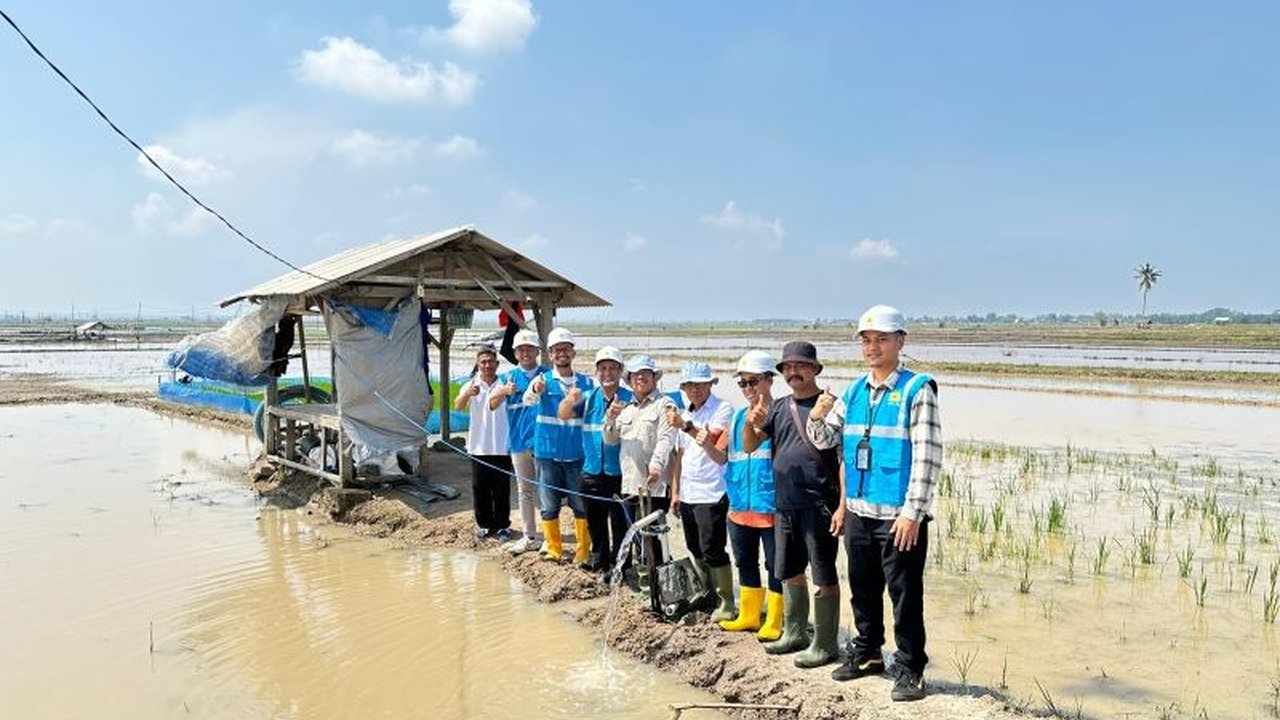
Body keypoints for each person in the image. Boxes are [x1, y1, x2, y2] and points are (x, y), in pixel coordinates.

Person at [808, 305, 941, 702]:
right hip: (860, 513)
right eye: (867, 340)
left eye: (881, 339)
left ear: (900, 341)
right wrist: (817, 416)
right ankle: (867, 652)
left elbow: (927, 455)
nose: (873, 347)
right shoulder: (853, 392)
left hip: (899, 518)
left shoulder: (917, 390)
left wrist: (912, 513)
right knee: (863, 589)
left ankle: (911, 667)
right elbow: (825, 440)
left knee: (904, 594)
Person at [742, 340, 842, 669]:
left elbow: (843, 459)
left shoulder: (831, 405)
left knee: (824, 575)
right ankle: (796, 632)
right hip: (784, 505)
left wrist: (842, 506)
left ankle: (825, 643)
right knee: (790, 572)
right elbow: (750, 445)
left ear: (815, 369)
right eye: (787, 367)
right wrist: (750, 421)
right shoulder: (780, 408)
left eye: (801, 366)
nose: (794, 372)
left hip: (819, 505)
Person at [718, 350, 785, 641]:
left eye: (754, 382)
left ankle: (775, 618)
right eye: (743, 383)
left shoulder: (782, 413)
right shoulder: (736, 417)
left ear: (770, 380)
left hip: (769, 502)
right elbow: (723, 454)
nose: (748, 389)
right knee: (744, 561)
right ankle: (748, 615)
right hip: (739, 503)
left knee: (775, 564)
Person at [667, 361, 735, 622]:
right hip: (689, 492)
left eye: (699, 384)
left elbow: (716, 448)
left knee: (713, 547)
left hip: (713, 491)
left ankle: (726, 600)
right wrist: (676, 492)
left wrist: (685, 425)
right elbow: (680, 456)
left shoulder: (722, 409)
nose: (694, 390)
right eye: (689, 385)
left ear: (710, 384)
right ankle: (706, 593)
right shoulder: (686, 413)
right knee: (694, 546)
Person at [602, 355, 678, 580]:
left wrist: (656, 466)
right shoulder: (625, 408)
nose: (641, 378)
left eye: (646, 373)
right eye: (636, 375)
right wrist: (609, 417)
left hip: (654, 484)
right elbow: (610, 439)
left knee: (654, 537)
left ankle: (658, 582)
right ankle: (634, 575)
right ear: (630, 379)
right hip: (630, 482)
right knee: (630, 532)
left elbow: (667, 438)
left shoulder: (665, 404)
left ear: (654, 377)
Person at [522, 327, 594, 563]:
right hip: (547, 453)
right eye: (557, 350)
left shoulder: (585, 383)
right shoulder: (542, 380)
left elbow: (591, 412)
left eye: (566, 349)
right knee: (549, 503)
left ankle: (583, 549)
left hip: (577, 454)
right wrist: (535, 389)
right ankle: (554, 548)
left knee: (580, 504)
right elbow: (528, 400)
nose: (562, 353)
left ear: (573, 353)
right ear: (550, 355)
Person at [569, 346, 633, 575]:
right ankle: (599, 561)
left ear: (620, 371)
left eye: (612, 368)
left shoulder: (631, 399)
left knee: (620, 521)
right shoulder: (587, 399)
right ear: (597, 372)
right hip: (592, 470)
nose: (608, 373)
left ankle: (622, 564)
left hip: (620, 472)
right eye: (603, 368)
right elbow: (564, 415)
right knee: (595, 521)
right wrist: (570, 399)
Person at [489, 329, 547, 554]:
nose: (525, 353)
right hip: (519, 442)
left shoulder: (547, 375)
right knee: (525, 491)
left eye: (529, 349)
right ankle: (529, 535)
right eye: (521, 350)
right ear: (515, 353)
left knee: (545, 492)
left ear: (537, 351)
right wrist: (503, 391)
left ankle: (549, 537)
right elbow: (492, 404)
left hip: (544, 443)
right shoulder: (507, 377)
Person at [454, 344, 513, 540]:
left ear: (497, 363)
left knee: (502, 489)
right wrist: (466, 394)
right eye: (483, 362)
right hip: (478, 446)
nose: (487, 365)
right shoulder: (472, 383)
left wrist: (505, 391)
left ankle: (503, 525)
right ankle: (485, 525)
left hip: (502, 446)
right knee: (480, 489)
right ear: (478, 364)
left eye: (490, 362)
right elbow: (458, 406)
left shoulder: (505, 383)